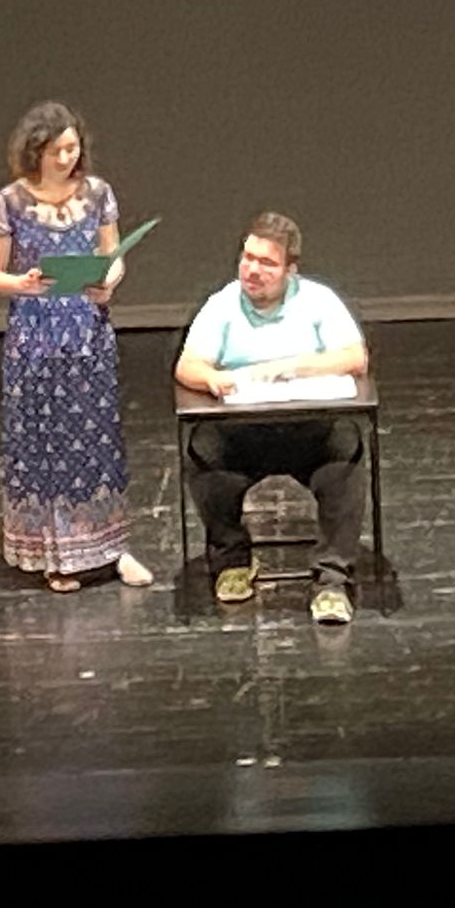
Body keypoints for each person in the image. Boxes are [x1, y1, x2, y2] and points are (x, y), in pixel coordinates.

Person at [0, 102, 151, 592]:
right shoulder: (10, 202)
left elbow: (112, 257)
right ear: (35, 151)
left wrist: (108, 282)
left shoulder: (97, 193)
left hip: (87, 331)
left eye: (72, 149)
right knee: (45, 444)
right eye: (56, 151)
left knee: (98, 438)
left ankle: (110, 546)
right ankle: (56, 553)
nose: (66, 159)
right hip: (35, 335)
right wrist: (23, 283)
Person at [174, 213, 370, 625]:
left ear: (290, 269)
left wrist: (292, 367)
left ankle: (332, 579)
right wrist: (212, 378)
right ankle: (231, 560)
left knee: (346, 451)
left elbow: (355, 358)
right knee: (204, 450)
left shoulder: (317, 300)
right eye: (247, 258)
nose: (253, 270)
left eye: (267, 263)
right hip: (242, 432)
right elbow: (187, 366)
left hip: (309, 429)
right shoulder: (223, 304)